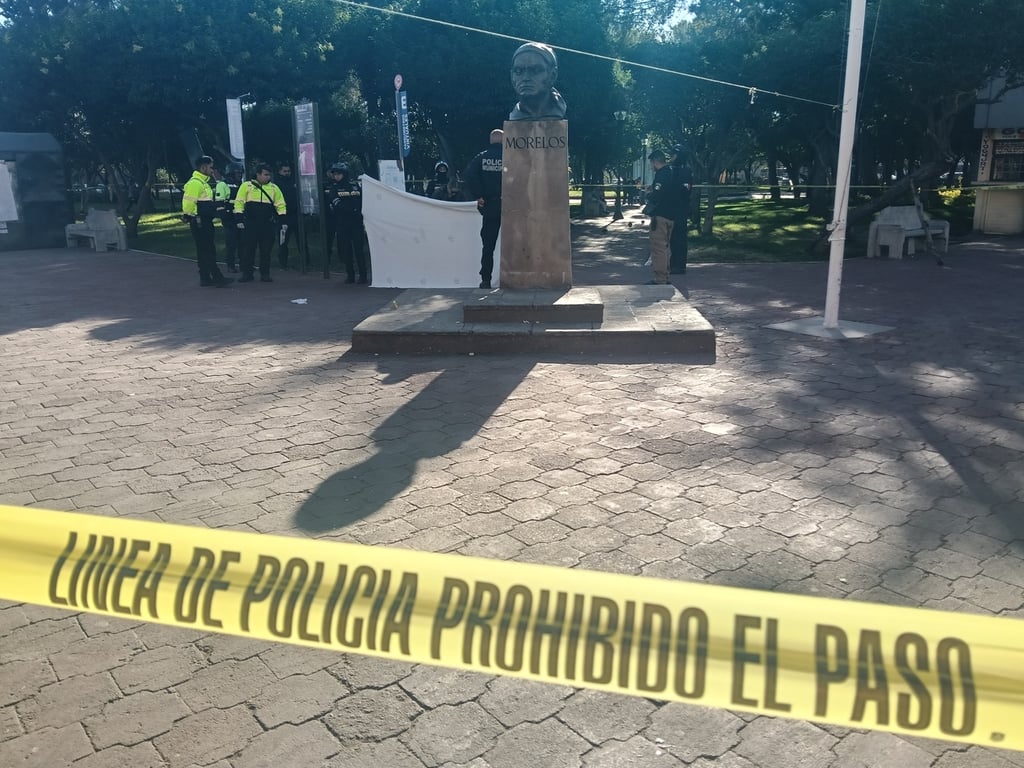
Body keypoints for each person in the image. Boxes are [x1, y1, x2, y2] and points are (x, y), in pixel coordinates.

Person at [181, 155, 233, 288]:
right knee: (207, 249)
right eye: (210, 167)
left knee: (203, 249)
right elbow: (188, 202)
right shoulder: (195, 183)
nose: (212, 170)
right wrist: (189, 215)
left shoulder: (202, 182)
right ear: (203, 167)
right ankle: (217, 277)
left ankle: (205, 277)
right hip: (200, 221)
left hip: (204, 220)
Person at [463, 129, 504, 289]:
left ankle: (485, 279)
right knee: (514, 244)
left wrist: (478, 195)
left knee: (488, 246)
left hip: (490, 206)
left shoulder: (481, 157)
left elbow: (469, 175)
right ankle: (516, 277)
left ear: (491, 140)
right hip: (510, 206)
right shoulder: (511, 157)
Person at [233, 163, 286, 283]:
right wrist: (239, 218)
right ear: (258, 174)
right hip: (250, 223)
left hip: (267, 224)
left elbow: (280, 204)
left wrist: (282, 219)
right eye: (265, 174)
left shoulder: (274, 188)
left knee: (266, 250)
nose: (268, 177)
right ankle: (247, 274)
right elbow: (239, 202)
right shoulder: (247, 186)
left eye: (269, 175)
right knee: (248, 250)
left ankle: (265, 274)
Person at [642, 149, 683, 285]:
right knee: (665, 248)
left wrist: (649, 194)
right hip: (671, 215)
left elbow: (658, 195)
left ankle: (660, 278)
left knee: (658, 248)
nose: (650, 167)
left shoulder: (661, 174)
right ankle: (665, 276)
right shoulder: (673, 173)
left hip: (660, 216)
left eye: (651, 164)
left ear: (655, 161)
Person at [324, 163, 368, 284]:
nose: (336, 176)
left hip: (357, 224)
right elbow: (337, 204)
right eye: (335, 174)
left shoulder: (355, 186)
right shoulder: (333, 188)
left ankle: (363, 275)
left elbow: (363, 201)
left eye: (339, 174)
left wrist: (358, 212)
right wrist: (353, 210)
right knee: (346, 250)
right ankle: (350, 275)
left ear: (345, 174)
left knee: (359, 250)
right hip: (342, 224)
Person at [509, 42, 567, 121]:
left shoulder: (557, 112)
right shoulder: (515, 117)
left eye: (536, 70)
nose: (526, 77)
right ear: (512, 76)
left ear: (552, 76)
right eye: (518, 71)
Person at [668, 144, 694, 274]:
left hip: (681, 209)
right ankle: (674, 262)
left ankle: (679, 264)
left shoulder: (685, 171)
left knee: (680, 238)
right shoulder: (673, 170)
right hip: (673, 209)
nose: (671, 157)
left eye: (673, 154)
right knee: (673, 238)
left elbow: (685, 190)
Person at [220, 162, 244, 273]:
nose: (239, 175)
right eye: (237, 173)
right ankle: (230, 265)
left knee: (243, 243)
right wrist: (225, 218)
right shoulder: (223, 185)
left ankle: (244, 263)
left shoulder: (242, 184)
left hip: (241, 217)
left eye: (240, 173)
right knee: (231, 244)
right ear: (230, 173)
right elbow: (220, 203)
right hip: (229, 219)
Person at [275, 161, 299, 270]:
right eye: (284, 171)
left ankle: (306, 261)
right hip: (283, 216)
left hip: (296, 214)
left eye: (288, 171)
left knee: (301, 239)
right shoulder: (276, 184)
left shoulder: (295, 181)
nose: (287, 173)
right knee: (283, 240)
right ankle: (282, 263)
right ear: (279, 171)